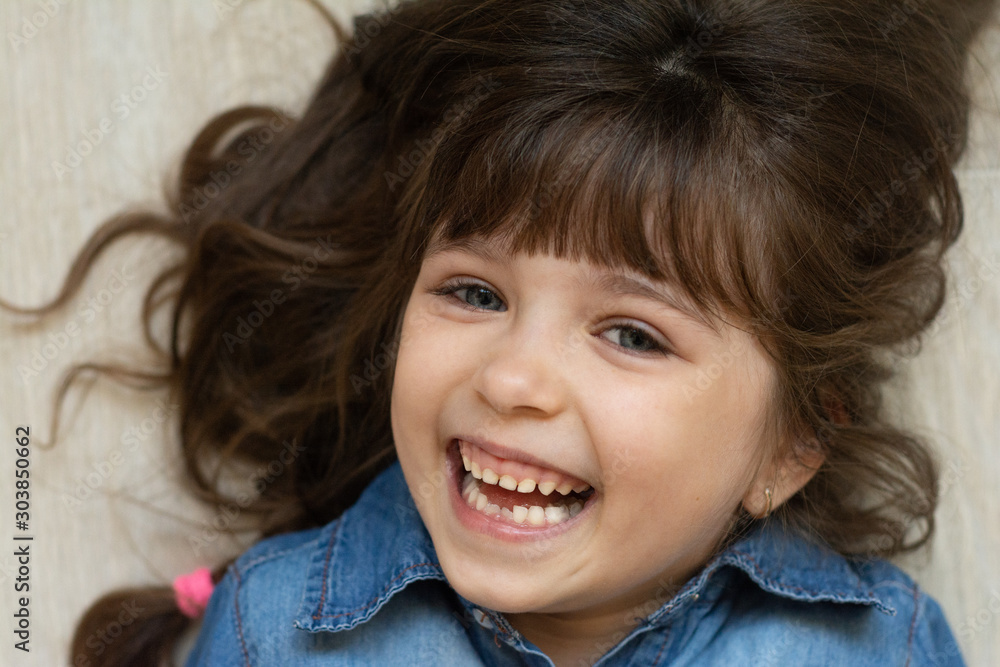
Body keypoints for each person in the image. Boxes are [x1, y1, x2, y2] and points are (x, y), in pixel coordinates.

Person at [7, 0, 993, 664]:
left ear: (789, 446)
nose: (514, 375)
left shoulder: (877, 643)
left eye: (633, 335)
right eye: (474, 294)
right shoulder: (276, 626)